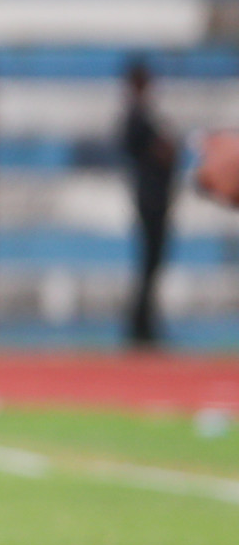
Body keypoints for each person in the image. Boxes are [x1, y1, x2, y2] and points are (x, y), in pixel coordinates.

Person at [121, 60, 178, 347]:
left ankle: (143, 326)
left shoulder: (143, 115)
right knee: (149, 265)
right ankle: (140, 328)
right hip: (151, 199)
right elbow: (154, 151)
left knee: (151, 266)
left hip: (155, 197)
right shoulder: (137, 116)